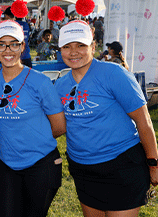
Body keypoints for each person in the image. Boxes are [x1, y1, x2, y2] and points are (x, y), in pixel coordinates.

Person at [54, 20, 158, 216]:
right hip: (83, 169)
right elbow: (57, 126)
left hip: (122, 167)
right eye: (67, 47)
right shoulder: (60, 86)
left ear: (93, 47)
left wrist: (154, 164)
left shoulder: (114, 74)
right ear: (60, 50)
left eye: (81, 45)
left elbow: (144, 121)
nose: (73, 52)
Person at [0, 20, 66, 217]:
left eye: (14, 44)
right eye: (1, 44)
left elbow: (60, 127)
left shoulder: (40, 82)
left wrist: (31, 140)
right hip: (6, 164)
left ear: (22, 47)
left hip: (40, 164)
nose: (7, 50)